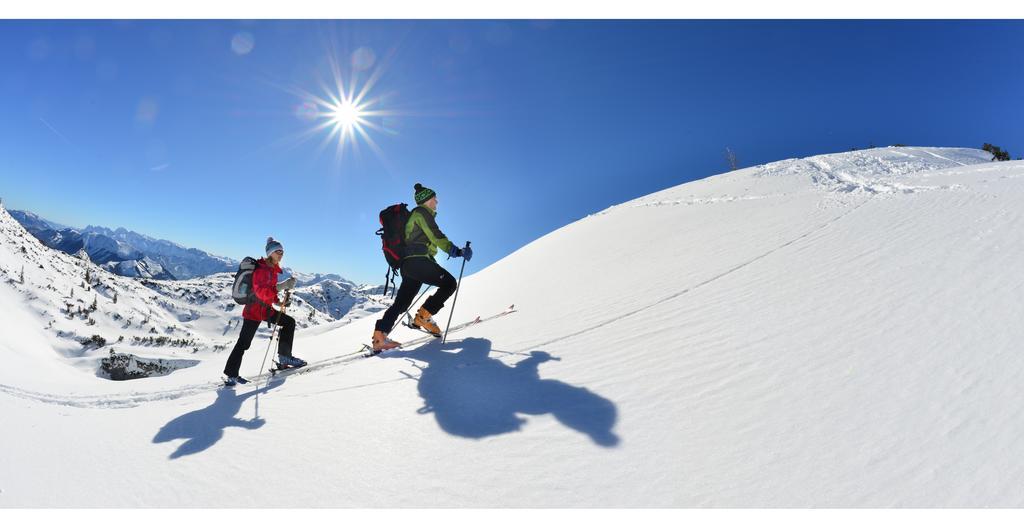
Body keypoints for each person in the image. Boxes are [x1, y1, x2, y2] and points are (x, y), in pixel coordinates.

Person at [372, 183, 472, 352]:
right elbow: (436, 235)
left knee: (401, 304)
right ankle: (423, 317)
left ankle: (379, 338)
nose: (437, 202)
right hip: (417, 263)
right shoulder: (421, 213)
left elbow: (428, 241)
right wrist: (456, 250)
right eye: (435, 198)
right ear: (426, 200)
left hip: (409, 266)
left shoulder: (417, 216)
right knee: (449, 284)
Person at [223, 237, 305, 385]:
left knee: (288, 322)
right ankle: (231, 375)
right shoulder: (261, 269)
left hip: (266, 310)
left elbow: (269, 294)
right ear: (270, 253)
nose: (281, 254)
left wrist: (279, 301)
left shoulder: (272, 270)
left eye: (282, 252)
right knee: (243, 343)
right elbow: (260, 292)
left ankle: (285, 357)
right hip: (253, 312)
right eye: (278, 251)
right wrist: (281, 286)